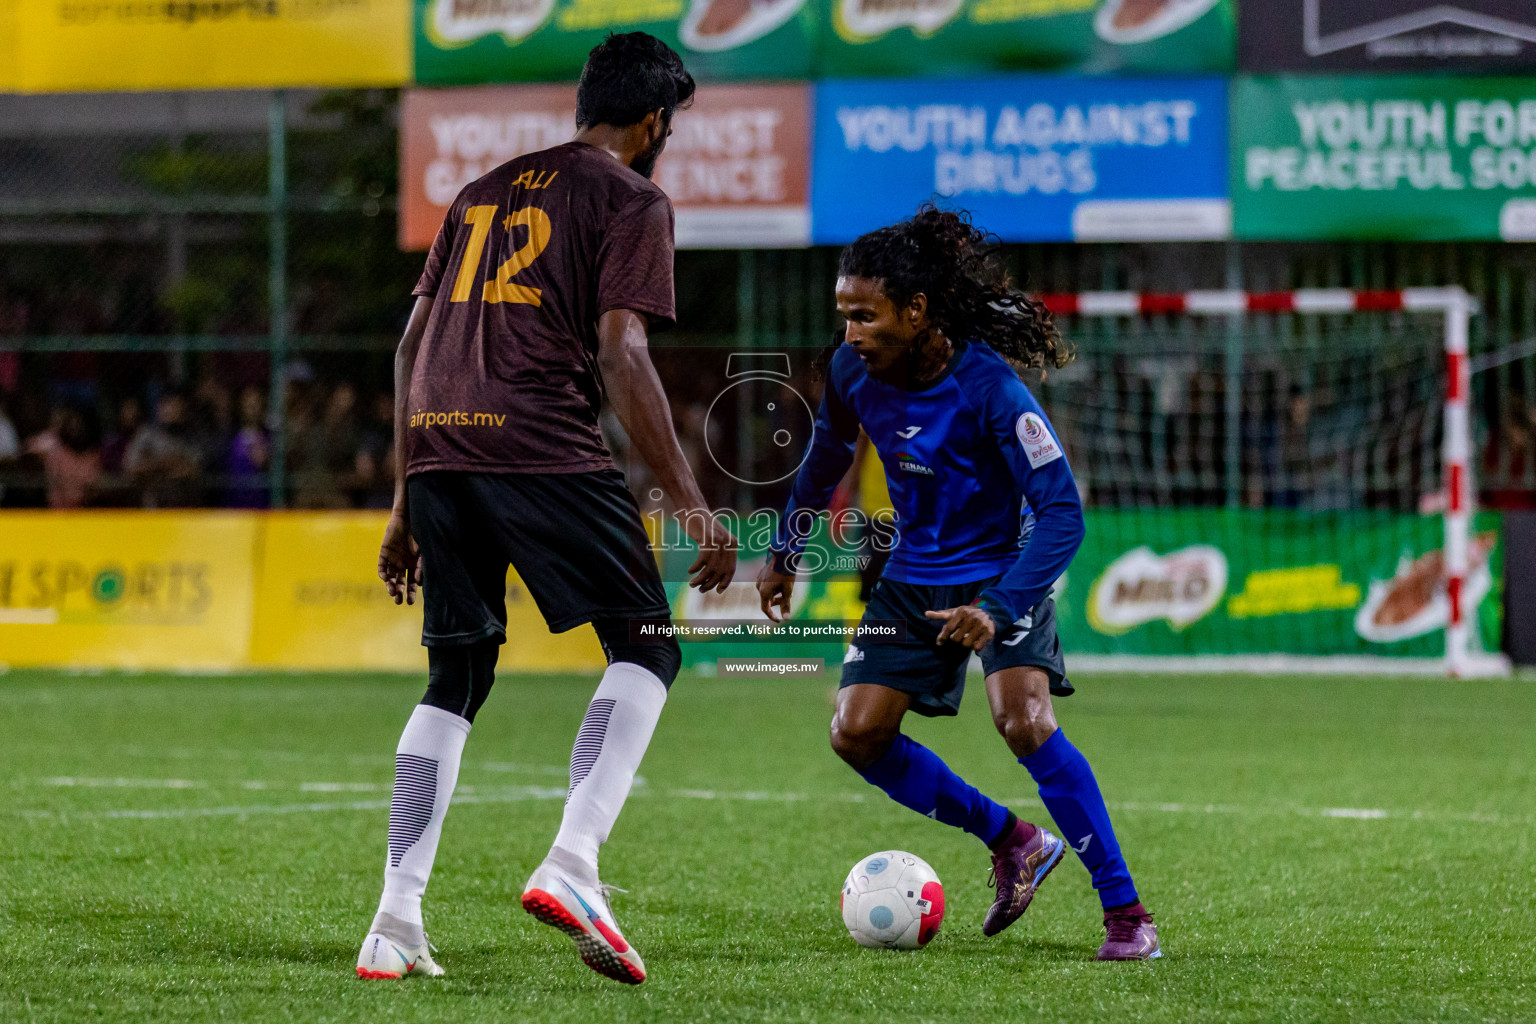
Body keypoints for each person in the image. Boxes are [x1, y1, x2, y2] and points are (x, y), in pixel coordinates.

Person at [361, 32, 736, 985]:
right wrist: (692, 505)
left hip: (440, 446)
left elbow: (410, 348)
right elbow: (621, 353)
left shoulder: (479, 191)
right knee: (649, 643)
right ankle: (574, 861)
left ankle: (394, 921)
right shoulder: (632, 197)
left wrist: (406, 497)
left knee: (455, 683)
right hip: (537, 442)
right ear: (653, 122)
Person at [758, 207, 1158, 961]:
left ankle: (1127, 914)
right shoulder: (852, 372)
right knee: (856, 732)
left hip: (1002, 569)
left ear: (916, 313)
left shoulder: (990, 388)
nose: (850, 333)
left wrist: (1001, 603)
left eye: (866, 316)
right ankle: (1015, 840)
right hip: (912, 575)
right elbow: (823, 456)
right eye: (844, 315)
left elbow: (1062, 512)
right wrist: (786, 549)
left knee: (1024, 720)